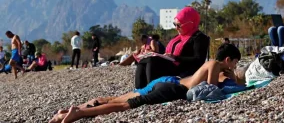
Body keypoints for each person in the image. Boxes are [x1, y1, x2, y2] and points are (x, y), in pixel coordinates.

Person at [48, 43, 241, 123]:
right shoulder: (215, 64)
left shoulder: (217, 66)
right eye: (235, 62)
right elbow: (209, 90)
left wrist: (230, 74)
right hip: (173, 88)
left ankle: (64, 113)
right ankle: (78, 113)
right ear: (229, 60)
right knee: (124, 105)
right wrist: (231, 75)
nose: (235, 66)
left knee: (114, 98)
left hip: (166, 81)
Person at [135, 7, 209, 89]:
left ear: (190, 23)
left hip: (183, 69)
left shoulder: (199, 38)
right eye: (175, 24)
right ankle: (139, 89)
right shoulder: (178, 37)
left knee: (152, 61)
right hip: (172, 65)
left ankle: (150, 89)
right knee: (144, 60)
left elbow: (199, 60)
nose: (176, 28)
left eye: (179, 25)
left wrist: (176, 58)